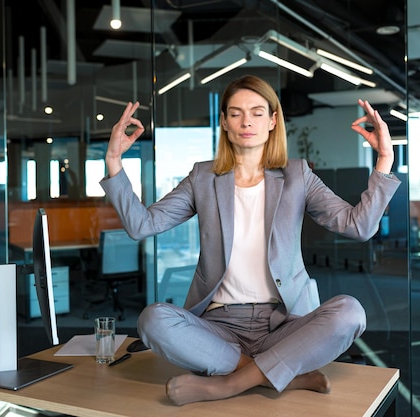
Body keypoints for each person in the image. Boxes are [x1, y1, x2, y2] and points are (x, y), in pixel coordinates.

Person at [100, 75, 400, 405]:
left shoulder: (297, 175)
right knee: (153, 319)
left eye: (257, 112)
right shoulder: (203, 177)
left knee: (350, 313)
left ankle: (227, 384)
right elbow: (143, 225)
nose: (246, 121)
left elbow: (357, 227)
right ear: (225, 123)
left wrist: (384, 160)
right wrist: (114, 161)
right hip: (218, 328)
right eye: (236, 113)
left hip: (282, 325)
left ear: (273, 121)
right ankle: (284, 375)